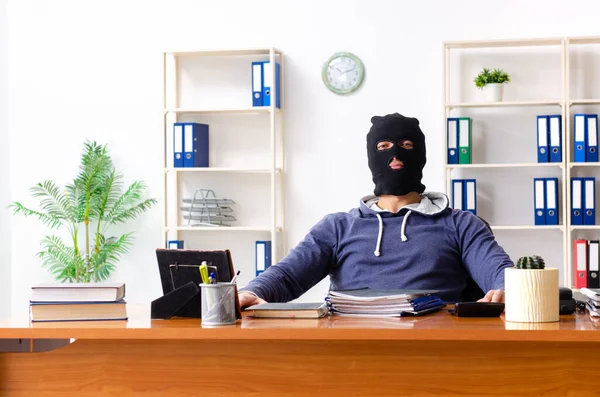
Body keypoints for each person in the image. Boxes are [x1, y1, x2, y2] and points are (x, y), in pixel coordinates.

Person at [238, 112, 514, 308]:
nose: (395, 155)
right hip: (352, 348)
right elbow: (288, 275)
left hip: (434, 345)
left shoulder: (461, 224)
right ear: (372, 156)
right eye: (384, 147)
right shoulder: (337, 227)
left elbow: (499, 271)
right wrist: (253, 292)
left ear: (421, 156)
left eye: (406, 146)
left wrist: (506, 290)